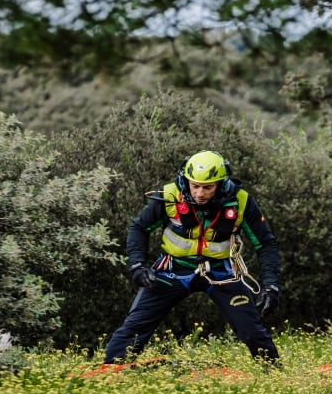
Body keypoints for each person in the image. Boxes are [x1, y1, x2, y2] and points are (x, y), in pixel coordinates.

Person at [101, 150, 281, 365]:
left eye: (207, 187)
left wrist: (271, 287)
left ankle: (275, 372)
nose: (199, 193)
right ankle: (109, 372)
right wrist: (138, 265)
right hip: (172, 269)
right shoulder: (170, 196)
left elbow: (265, 243)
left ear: (221, 184)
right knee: (136, 326)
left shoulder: (241, 201)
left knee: (251, 329)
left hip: (220, 272)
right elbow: (139, 228)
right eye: (194, 185)